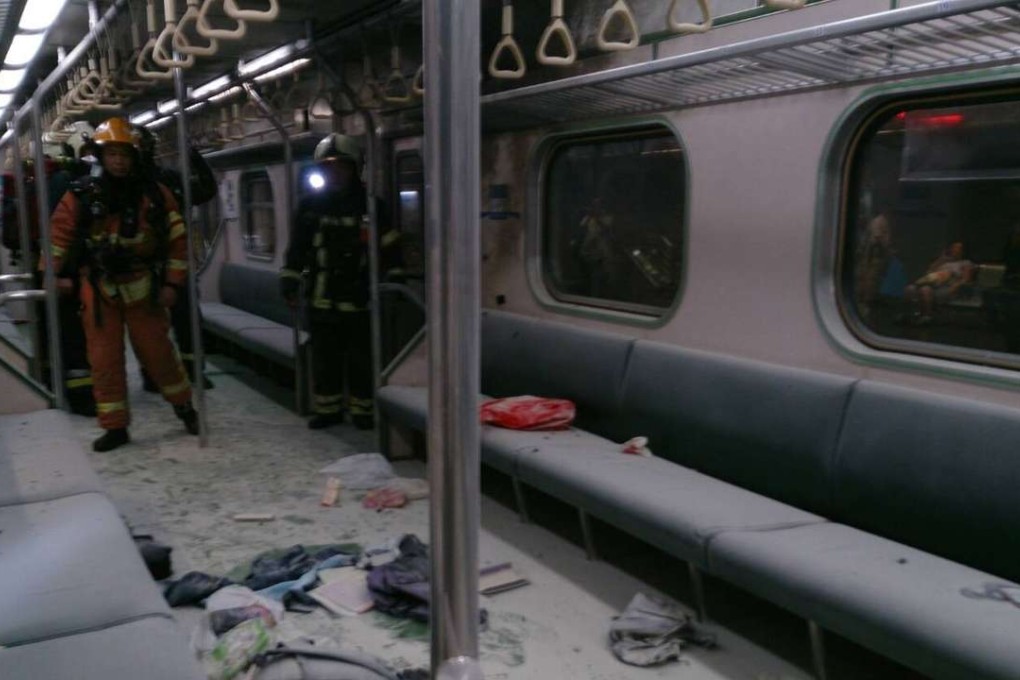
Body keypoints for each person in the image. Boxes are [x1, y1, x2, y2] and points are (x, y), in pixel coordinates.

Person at [49, 117, 199, 452]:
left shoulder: (155, 195)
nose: (118, 161)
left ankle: (185, 408)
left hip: (143, 285)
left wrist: (173, 285)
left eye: (124, 154)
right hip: (99, 289)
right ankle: (115, 427)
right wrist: (54, 274)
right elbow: (58, 236)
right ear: (100, 157)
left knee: (159, 355)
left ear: (134, 157)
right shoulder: (80, 194)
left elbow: (177, 241)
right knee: (104, 361)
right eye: (112, 154)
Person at [280, 134, 390, 430]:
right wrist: (289, 282)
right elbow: (298, 249)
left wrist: (392, 282)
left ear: (355, 168)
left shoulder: (372, 206)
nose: (334, 173)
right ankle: (327, 410)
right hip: (321, 297)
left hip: (360, 297)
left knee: (360, 360)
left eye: (341, 167)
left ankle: (362, 411)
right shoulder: (309, 206)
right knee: (324, 359)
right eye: (328, 168)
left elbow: (389, 249)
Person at [135, 126, 218, 391]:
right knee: (149, 326)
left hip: (174, 261)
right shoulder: (123, 186)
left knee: (187, 321)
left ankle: (191, 371)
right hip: (142, 265)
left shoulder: (168, 179)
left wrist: (193, 156)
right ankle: (153, 373)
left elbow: (205, 190)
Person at [903, 241, 974, 325]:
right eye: (953, 247)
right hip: (932, 283)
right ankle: (908, 314)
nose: (955, 250)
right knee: (909, 289)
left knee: (925, 290)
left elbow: (966, 279)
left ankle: (926, 316)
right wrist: (941, 259)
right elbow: (929, 272)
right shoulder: (943, 261)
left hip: (947, 287)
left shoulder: (965, 263)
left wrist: (955, 286)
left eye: (958, 248)